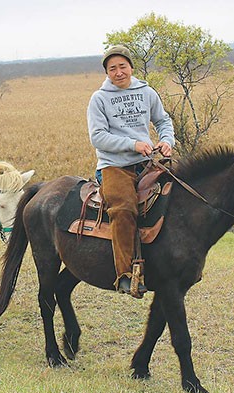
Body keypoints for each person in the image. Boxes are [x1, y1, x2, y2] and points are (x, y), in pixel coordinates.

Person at [87, 45, 175, 298]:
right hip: (114, 165)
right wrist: (133, 144)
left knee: (179, 194)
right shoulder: (99, 99)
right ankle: (125, 275)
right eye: (112, 68)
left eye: (122, 66)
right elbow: (98, 137)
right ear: (107, 73)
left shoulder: (146, 92)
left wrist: (167, 140)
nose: (118, 72)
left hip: (147, 161)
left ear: (131, 67)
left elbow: (163, 120)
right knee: (124, 208)